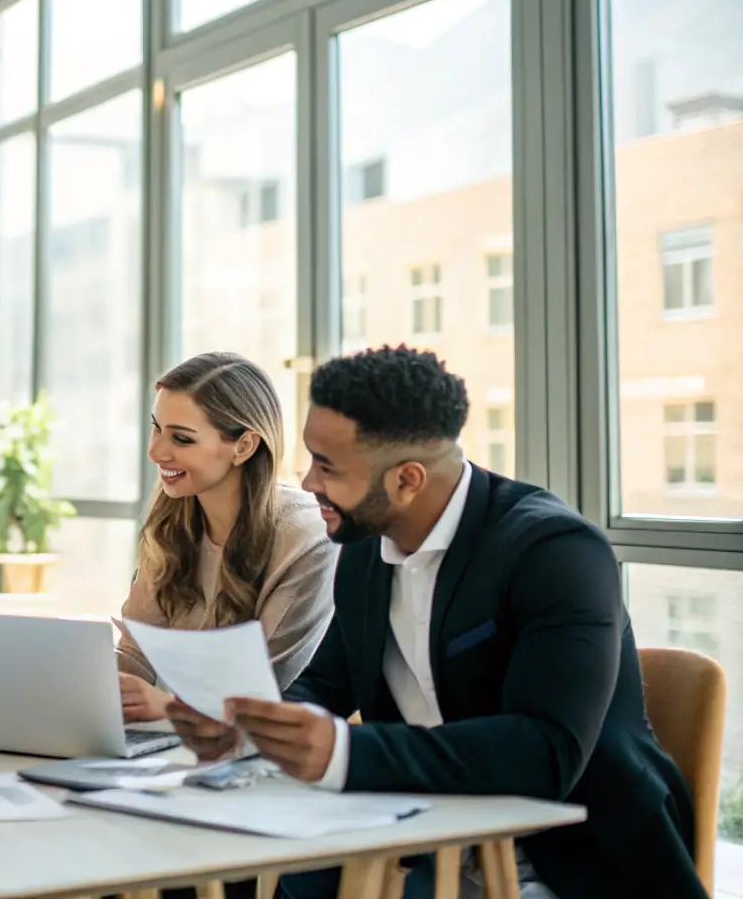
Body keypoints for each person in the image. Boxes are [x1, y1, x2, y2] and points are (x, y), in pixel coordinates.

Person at [168, 346, 705, 899]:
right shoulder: (363, 548)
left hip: (573, 862)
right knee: (192, 875)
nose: (308, 484)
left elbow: (545, 750)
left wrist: (343, 752)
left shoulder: (555, 551)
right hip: (423, 843)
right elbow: (327, 683)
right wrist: (248, 727)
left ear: (407, 480)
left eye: (327, 467)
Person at [116, 352, 336, 724]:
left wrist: (168, 708)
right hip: (174, 743)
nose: (156, 453)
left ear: (244, 446)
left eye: (182, 439)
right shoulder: (171, 519)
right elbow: (136, 657)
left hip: (262, 754)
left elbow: (267, 692)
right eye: (157, 428)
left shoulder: (304, 538)